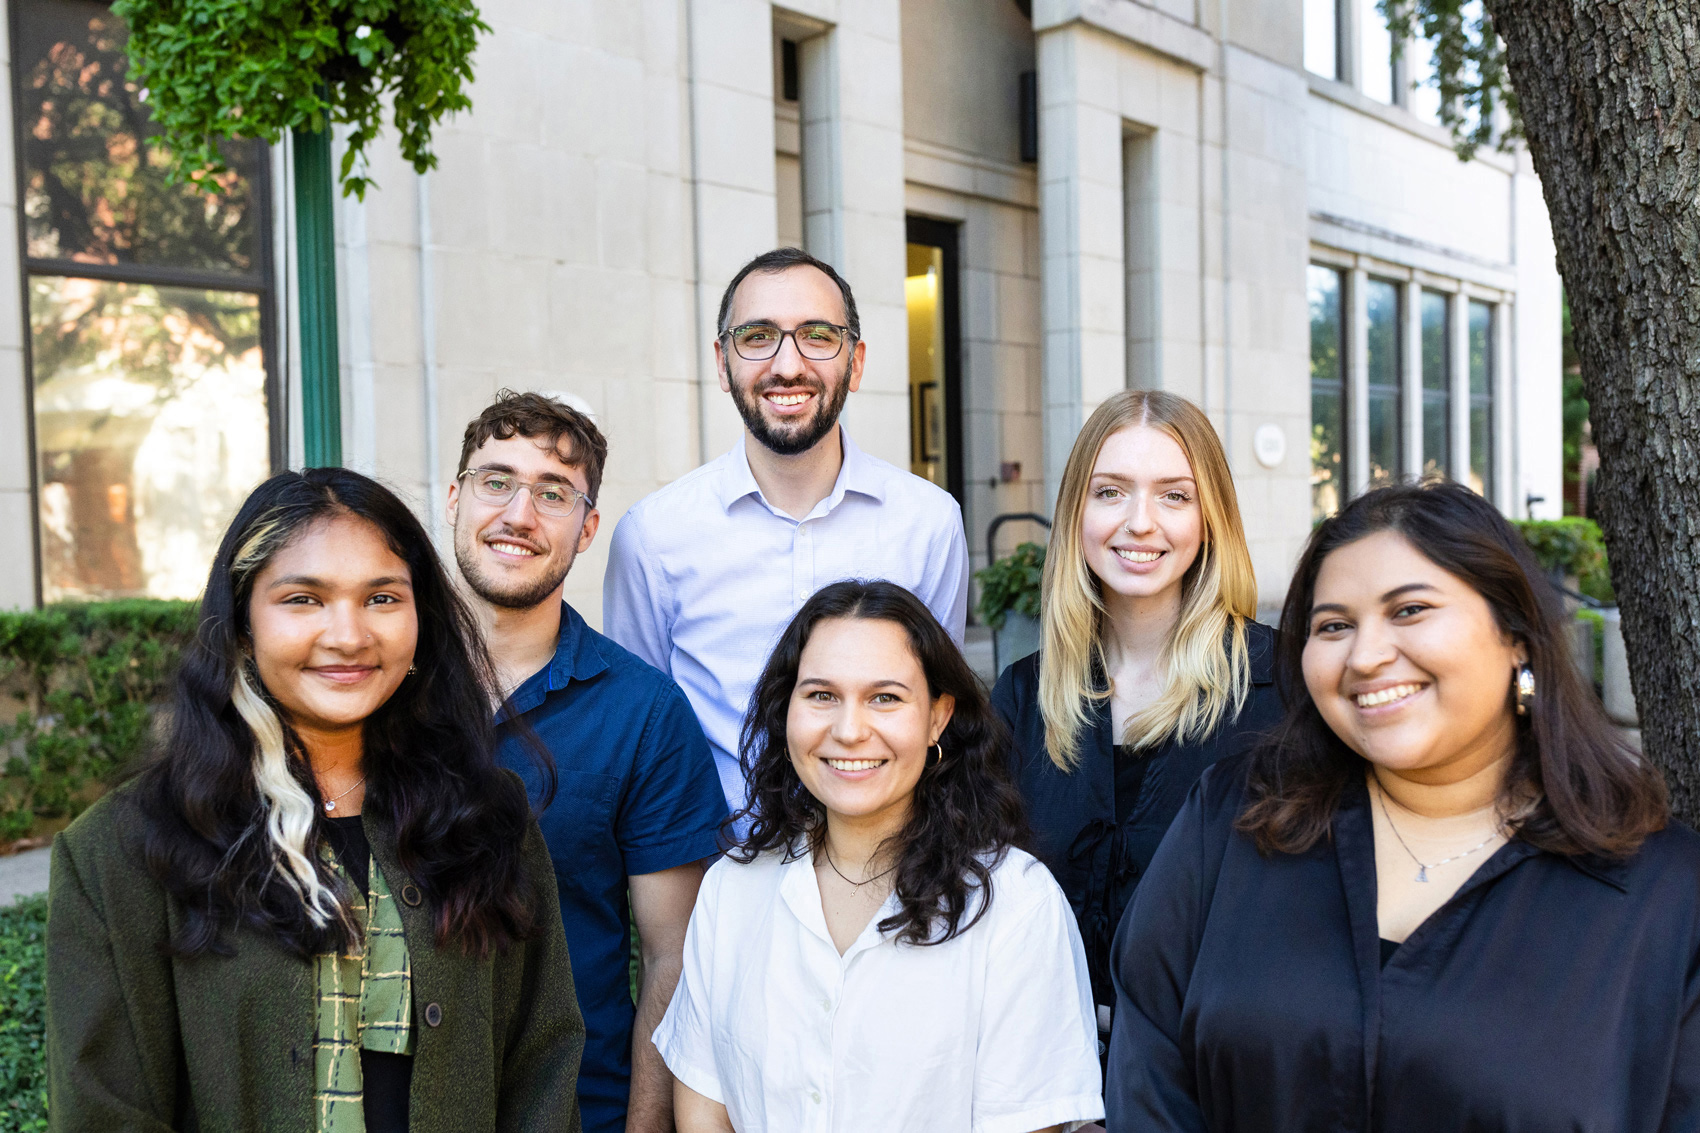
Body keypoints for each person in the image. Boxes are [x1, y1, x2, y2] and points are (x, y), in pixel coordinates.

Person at [1108, 480, 1697, 1131]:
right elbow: (1148, 1079)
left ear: (1517, 638)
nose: (1366, 655)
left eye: (1410, 610)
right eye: (1333, 625)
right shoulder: (1228, 821)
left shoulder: (1665, 898)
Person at [46, 468, 583, 1132]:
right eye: (303, 599)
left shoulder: (483, 813)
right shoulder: (122, 849)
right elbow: (104, 1111)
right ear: (242, 623)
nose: (349, 635)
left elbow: (544, 1061)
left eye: (382, 597)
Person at [654, 580, 1103, 1132]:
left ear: (938, 717)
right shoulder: (733, 887)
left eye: (884, 698)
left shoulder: (1016, 904)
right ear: (785, 708)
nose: (848, 730)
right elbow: (703, 1106)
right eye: (821, 695)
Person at [448, 391, 728, 1133]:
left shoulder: (645, 712)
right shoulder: (378, 687)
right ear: (455, 497)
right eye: (496, 480)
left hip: (578, 1108)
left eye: (553, 492)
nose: (518, 513)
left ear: (588, 526)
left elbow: (672, 957)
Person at [603, 247, 970, 813]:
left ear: (857, 360)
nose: (788, 365)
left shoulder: (929, 521)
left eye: (818, 336)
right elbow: (640, 732)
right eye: (757, 336)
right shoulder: (652, 536)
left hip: (894, 873)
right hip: (715, 875)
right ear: (723, 363)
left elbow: (934, 714)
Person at [991, 390, 1281, 1043]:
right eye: (1112, 491)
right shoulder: (1023, 696)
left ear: (1209, 517)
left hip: (1221, 1084)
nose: (1140, 522)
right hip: (1052, 1080)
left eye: (1174, 495)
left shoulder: (1284, 691)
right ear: (1077, 513)